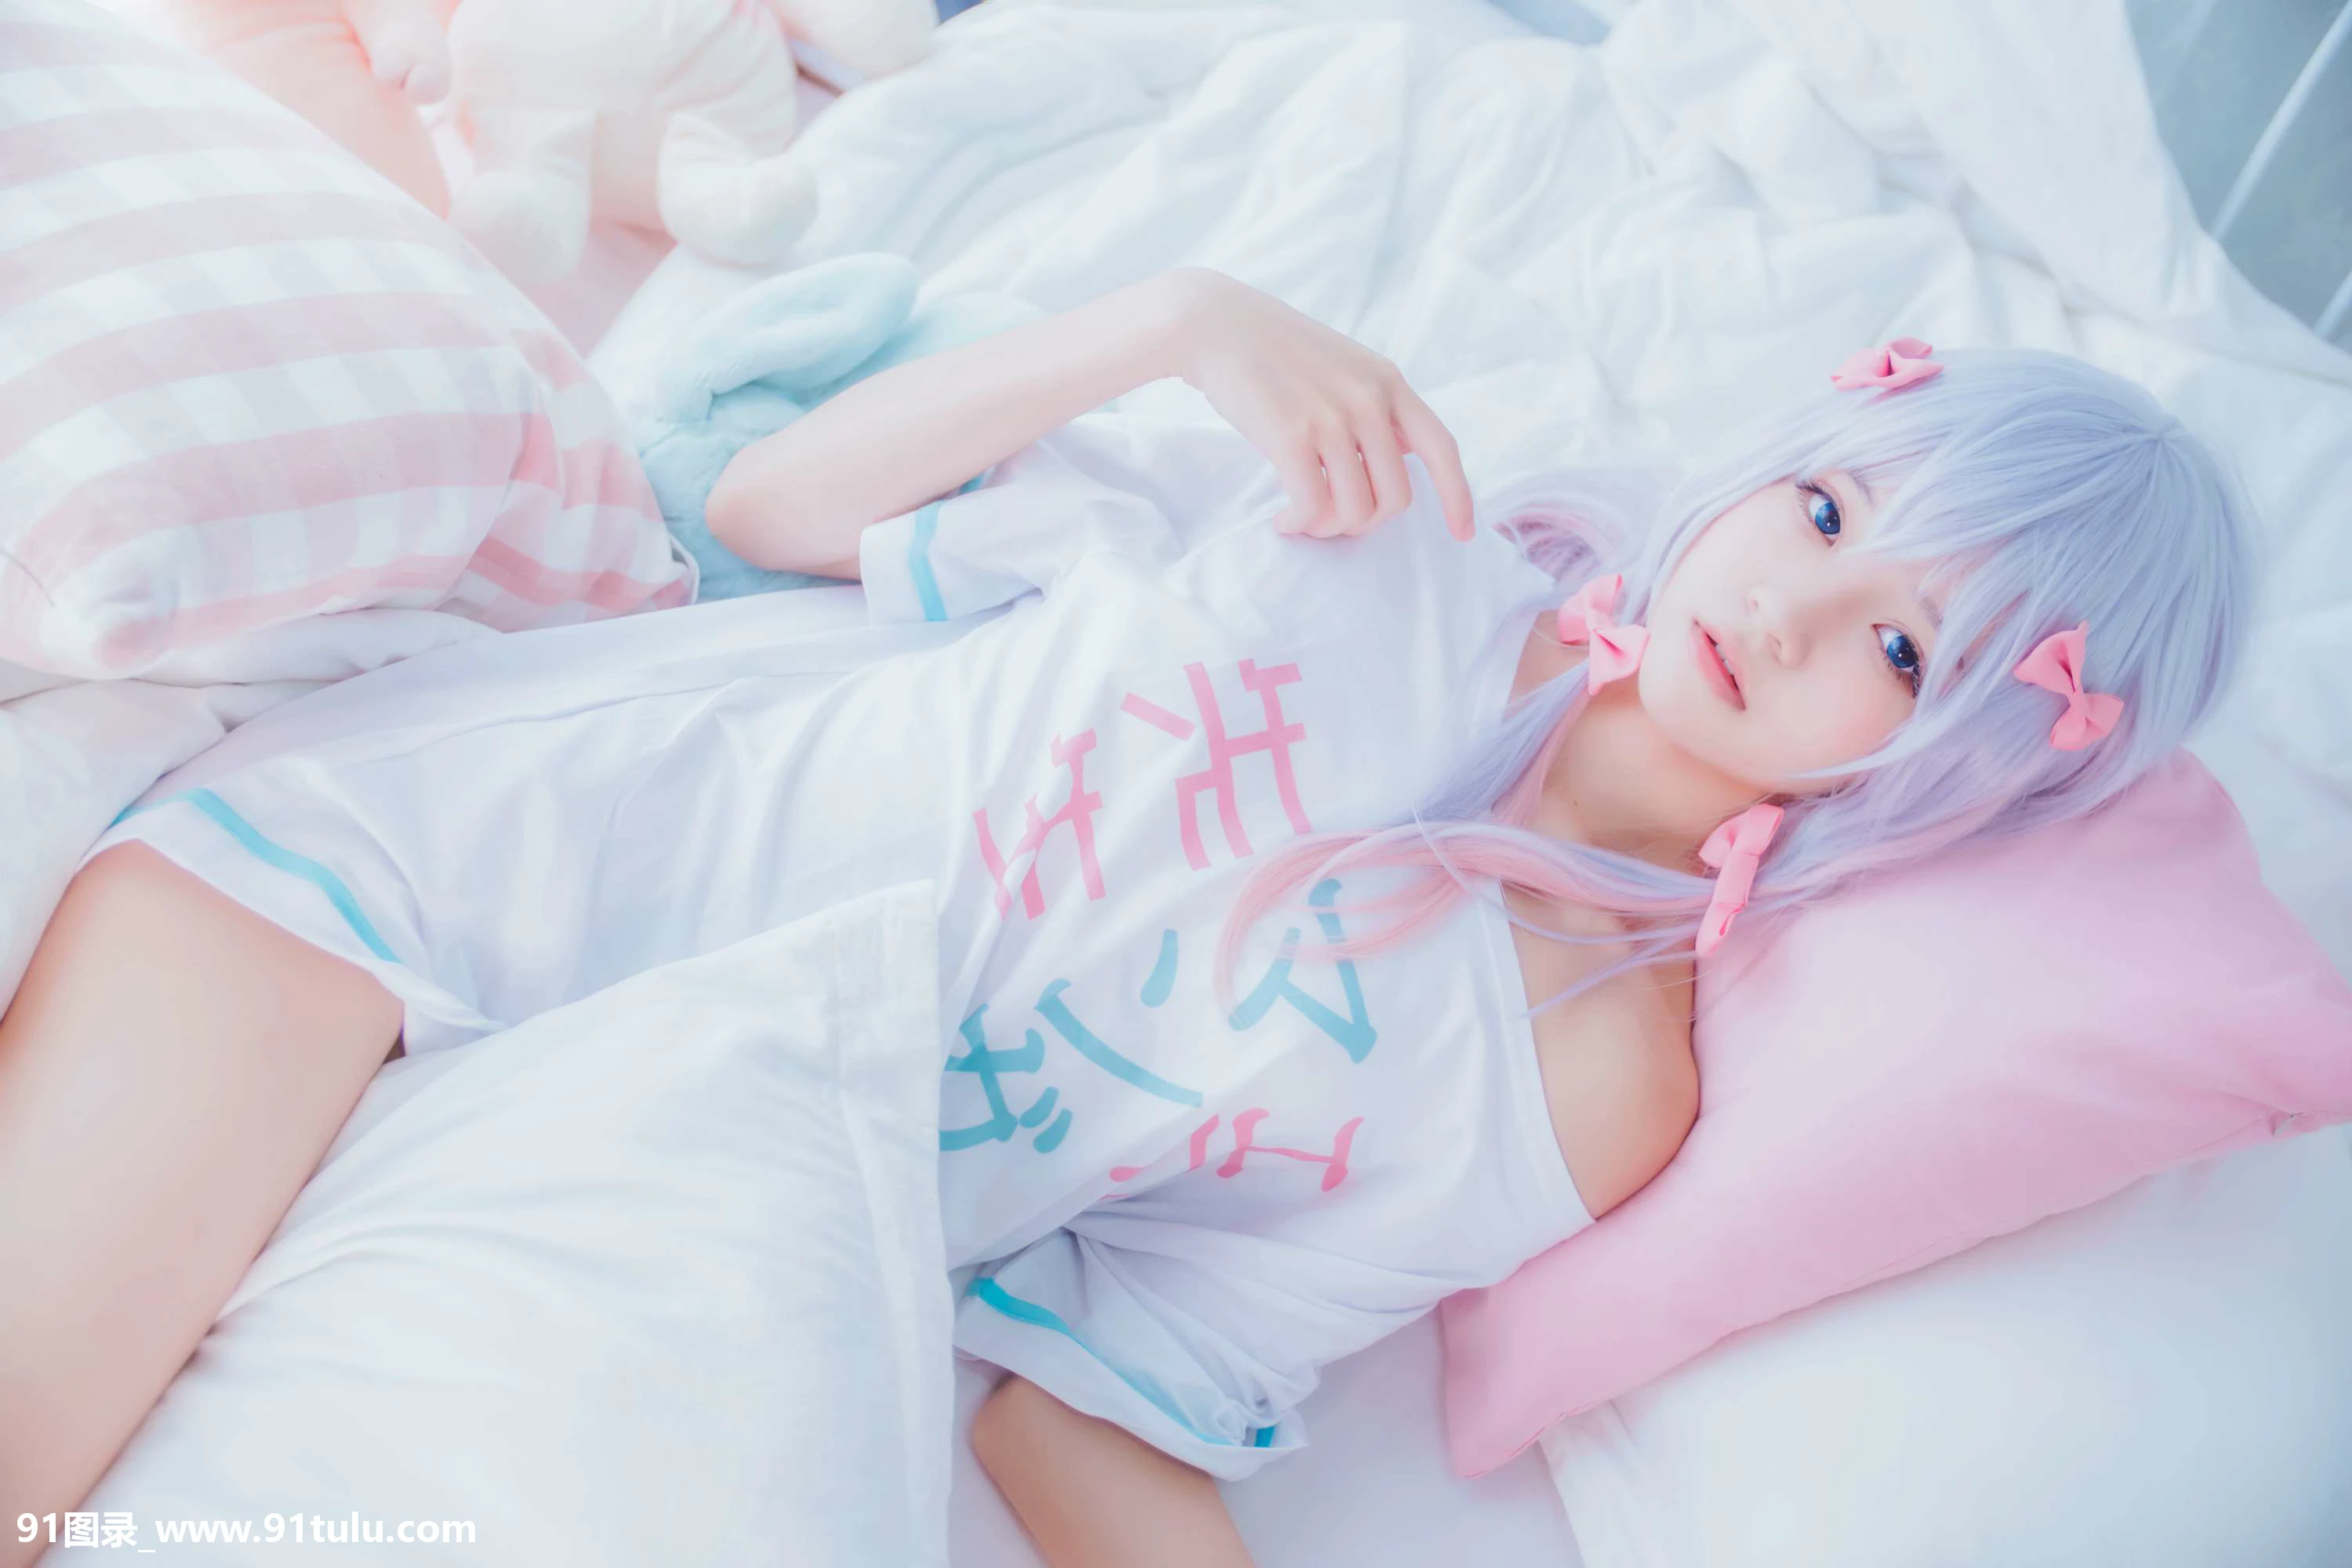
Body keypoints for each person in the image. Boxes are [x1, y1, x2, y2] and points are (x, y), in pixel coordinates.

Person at [0, 270, 2246, 1567]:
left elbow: (1095, 1405)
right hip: (423, 888)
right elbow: (778, 503)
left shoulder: (1592, 1080)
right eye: (1827, 510)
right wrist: (1170, 322)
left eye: (1906, 649)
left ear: (1967, 764)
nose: (1792, 605)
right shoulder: (1370, 524)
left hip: (651, 1212)